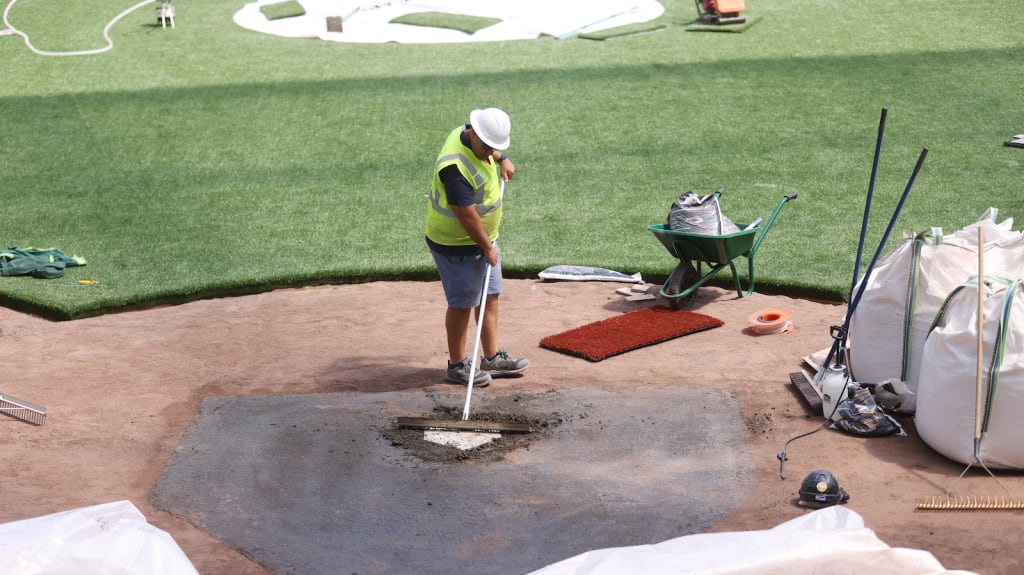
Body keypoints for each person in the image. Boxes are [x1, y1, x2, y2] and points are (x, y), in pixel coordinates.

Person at [425, 108, 530, 387]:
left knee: (489, 295)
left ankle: (491, 358)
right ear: (473, 133)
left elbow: (490, 150)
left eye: (495, 148)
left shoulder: (473, 136)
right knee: (462, 304)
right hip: (457, 244)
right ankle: (457, 366)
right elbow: (466, 215)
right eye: (488, 148)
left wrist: (503, 158)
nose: (490, 154)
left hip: (483, 241)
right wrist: (487, 247)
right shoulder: (454, 168)